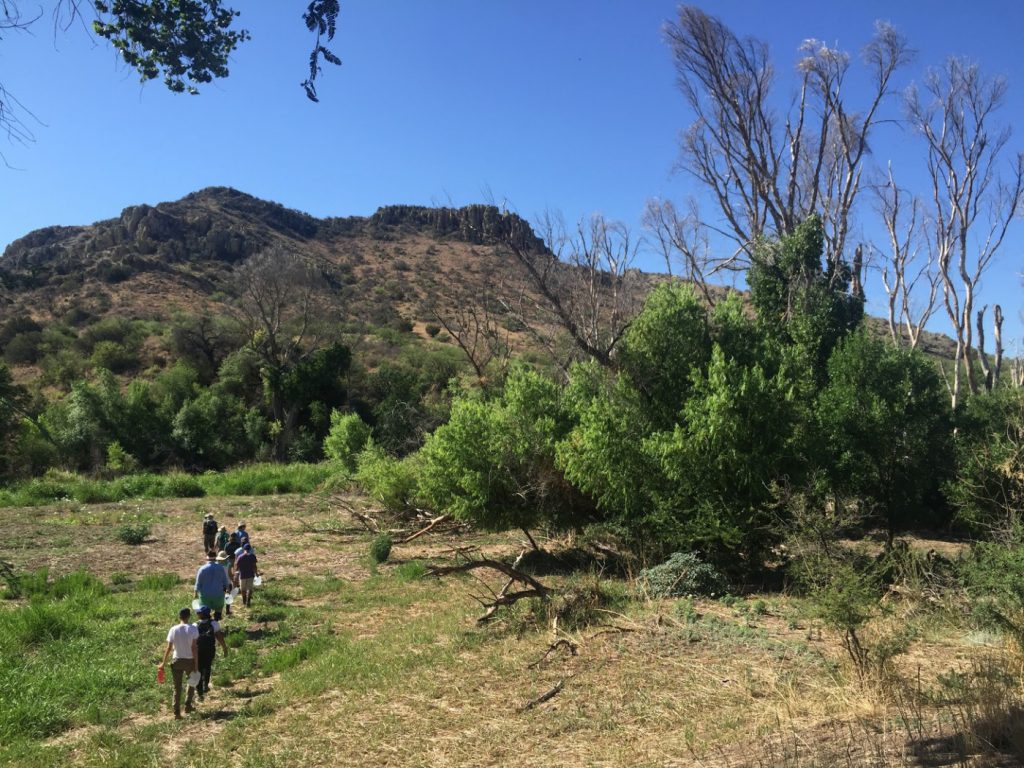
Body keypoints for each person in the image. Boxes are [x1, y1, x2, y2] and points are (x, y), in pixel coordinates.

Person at [158, 607, 199, 719]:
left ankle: (176, 712)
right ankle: (187, 705)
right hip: (189, 660)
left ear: (179, 617)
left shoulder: (173, 629)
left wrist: (163, 663)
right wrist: (196, 664)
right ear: (189, 616)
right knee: (191, 683)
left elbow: (169, 648)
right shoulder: (193, 629)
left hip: (177, 660)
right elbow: (194, 648)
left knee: (177, 687)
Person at [193, 605, 229, 701]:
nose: (197, 614)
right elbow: (219, 637)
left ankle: (199, 691)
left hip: (199, 650)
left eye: (198, 612)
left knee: (199, 669)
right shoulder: (214, 624)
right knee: (207, 666)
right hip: (210, 649)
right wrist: (224, 648)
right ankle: (206, 685)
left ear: (202, 614)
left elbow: (192, 640)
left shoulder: (195, 625)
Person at [194, 550, 231, 621]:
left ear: (207, 558)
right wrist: (228, 590)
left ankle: (207, 626)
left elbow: (198, 582)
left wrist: (195, 593)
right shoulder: (220, 568)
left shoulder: (202, 569)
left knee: (205, 613)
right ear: (215, 558)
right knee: (218, 610)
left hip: (205, 596)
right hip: (218, 595)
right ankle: (216, 624)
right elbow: (225, 581)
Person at [234, 543, 260, 607]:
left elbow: (237, 567)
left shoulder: (240, 557)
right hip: (250, 575)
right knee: (250, 589)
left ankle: (244, 601)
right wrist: (256, 574)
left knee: (243, 590)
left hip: (242, 575)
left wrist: (236, 575)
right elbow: (254, 566)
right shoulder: (252, 556)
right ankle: (248, 602)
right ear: (250, 549)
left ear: (244, 549)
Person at [216, 550, 234, 616]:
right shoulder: (228, 564)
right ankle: (227, 611)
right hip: (228, 583)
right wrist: (233, 580)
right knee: (228, 597)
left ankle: (219, 613)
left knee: (220, 598)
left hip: (219, 584)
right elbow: (230, 574)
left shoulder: (216, 565)